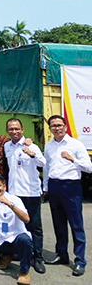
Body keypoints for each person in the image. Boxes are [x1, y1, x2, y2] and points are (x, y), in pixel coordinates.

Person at [43, 115, 92, 277]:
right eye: (53, 125)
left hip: (71, 187)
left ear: (65, 127)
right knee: (58, 223)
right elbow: (46, 168)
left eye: (59, 125)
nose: (57, 128)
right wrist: (45, 187)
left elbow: (88, 167)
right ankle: (62, 255)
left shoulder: (75, 144)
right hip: (54, 186)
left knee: (76, 224)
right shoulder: (49, 145)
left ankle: (80, 260)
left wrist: (73, 159)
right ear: (50, 128)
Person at [4, 118, 47, 274]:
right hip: (14, 194)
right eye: (11, 129)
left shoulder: (31, 145)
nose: (14, 132)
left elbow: (43, 163)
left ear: (22, 129)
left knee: (35, 226)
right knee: (17, 226)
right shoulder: (7, 146)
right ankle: (23, 255)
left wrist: (32, 153)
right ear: (7, 131)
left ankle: (38, 257)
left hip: (31, 193)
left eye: (17, 129)